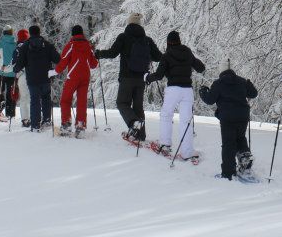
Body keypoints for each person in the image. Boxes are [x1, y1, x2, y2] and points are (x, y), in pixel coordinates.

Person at [95, 13, 163, 141]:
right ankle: (140, 135)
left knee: (122, 103)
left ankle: (133, 123)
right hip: (142, 79)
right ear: (139, 24)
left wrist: (99, 54)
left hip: (127, 77)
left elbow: (112, 53)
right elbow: (159, 57)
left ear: (129, 23)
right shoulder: (147, 40)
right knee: (138, 107)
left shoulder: (123, 37)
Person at [145, 30, 206, 159]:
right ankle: (187, 152)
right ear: (179, 40)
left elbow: (159, 75)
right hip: (187, 91)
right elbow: (200, 68)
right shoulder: (187, 51)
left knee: (166, 115)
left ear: (168, 42)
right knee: (186, 121)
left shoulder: (167, 55)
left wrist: (148, 78)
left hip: (173, 89)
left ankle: (165, 144)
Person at [200, 66, 258, 181]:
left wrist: (203, 91)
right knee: (240, 138)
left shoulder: (218, 83)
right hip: (242, 116)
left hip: (227, 117)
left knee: (228, 144)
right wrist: (249, 83)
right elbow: (253, 94)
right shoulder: (242, 81)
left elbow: (210, 100)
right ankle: (245, 160)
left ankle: (228, 173)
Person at [12, 24, 60, 132]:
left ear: (30, 33)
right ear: (39, 32)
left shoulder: (25, 46)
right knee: (46, 98)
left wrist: (15, 69)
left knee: (34, 100)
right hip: (45, 78)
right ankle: (47, 120)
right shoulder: (47, 45)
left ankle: (35, 125)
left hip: (32, 79)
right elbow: (58, 59)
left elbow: (19, 64)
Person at [54, 24, 99, 137]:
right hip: (85, 77)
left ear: (73, 34)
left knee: (65, 100)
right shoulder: (88, 46)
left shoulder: (71, 45)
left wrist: (55, 71)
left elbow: (63, 61)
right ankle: (80, 126)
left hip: (73, 76)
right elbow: (94, 64)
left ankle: (66, 125)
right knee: (81, 101)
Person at [11, 28, 32, 127]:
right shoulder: (32, 46)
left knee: (24, 98)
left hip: (21, 76)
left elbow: (13, 65)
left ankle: (25, 119)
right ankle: (34, 118)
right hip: (33, 75)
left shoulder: (16, 50)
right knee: (33, 97)